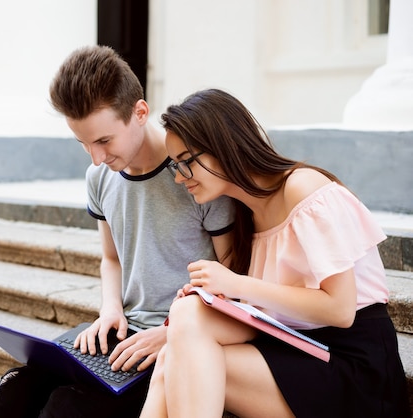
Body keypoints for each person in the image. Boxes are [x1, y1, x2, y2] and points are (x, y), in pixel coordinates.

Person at [0, 46, 235, 418]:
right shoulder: (99, 177)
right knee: (15, 393)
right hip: (123, 333)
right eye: (83, 144)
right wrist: (110, 307)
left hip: (179, 339)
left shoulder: (196, 177)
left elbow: (233, 273)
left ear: (139, 113)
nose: (96, 159)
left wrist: (178, 334)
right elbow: (111, 258)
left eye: (103, 141)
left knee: (66, 408)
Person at [139, 88, 411, 418]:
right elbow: (270, 314)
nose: (180, 178)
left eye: (186, 163)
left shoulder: (303, 188)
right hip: (296, 349)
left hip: (351, 364)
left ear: (223, 146)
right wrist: (216, 298)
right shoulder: (246, 217)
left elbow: (341, 310)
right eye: (175, 167)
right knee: (181, 333)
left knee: (178, 353)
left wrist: (237, 285)